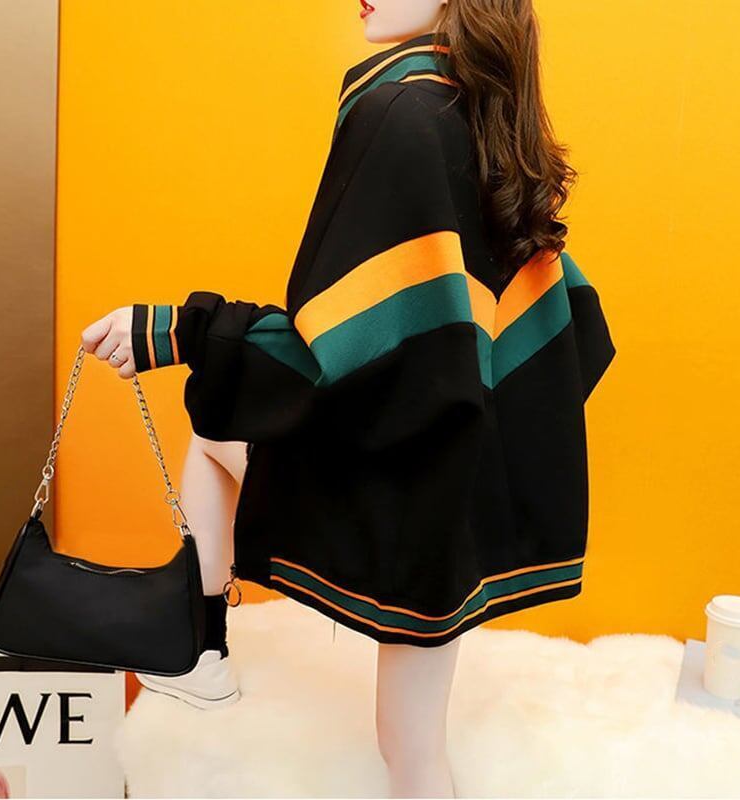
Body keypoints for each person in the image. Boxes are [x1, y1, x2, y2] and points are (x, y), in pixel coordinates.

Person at [80, 0, 615, 796]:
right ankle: (201, 655)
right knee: (413, 747)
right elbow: (560, 322)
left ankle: (201, 654)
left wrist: (176, 331)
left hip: (412, 483)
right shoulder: (486, 108)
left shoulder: (398, 110)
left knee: (215, 434)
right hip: (461, 474)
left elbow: (332, 349)